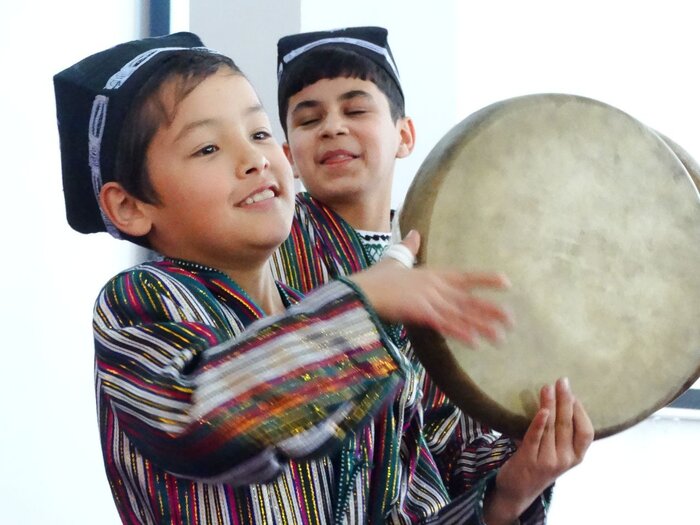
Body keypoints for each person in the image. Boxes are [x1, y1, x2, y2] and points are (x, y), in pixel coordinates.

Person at [53, 32, 521, 524]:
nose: (256, 157)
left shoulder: (349, 335)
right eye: (208, 147)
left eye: (257, 134)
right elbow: (196, 419)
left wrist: (509, 493)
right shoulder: (139, 302)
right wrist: (363, 305)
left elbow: (412, 510)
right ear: (129, 206)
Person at [272, 26, 593, 524]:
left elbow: (447, 450)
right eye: (308, 119)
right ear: (289, 157)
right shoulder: (269, 252)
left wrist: (517, 480)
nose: (332, 126)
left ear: (404, 136)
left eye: (355, 110)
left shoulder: (447, 262)